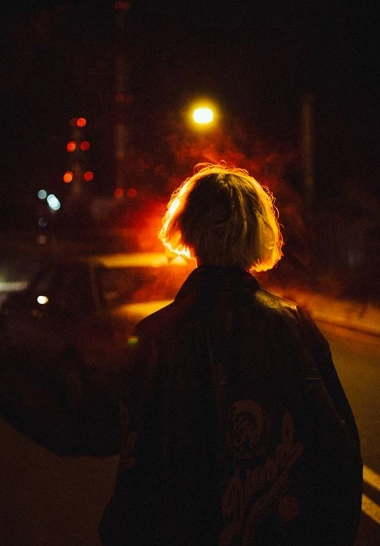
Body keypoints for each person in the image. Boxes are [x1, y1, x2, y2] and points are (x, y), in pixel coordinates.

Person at [99, 163, 362, 546]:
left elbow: (138, 464)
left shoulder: (156, 335)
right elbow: (336, 447)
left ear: (187, 229)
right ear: (259, 230)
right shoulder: (292, 326)